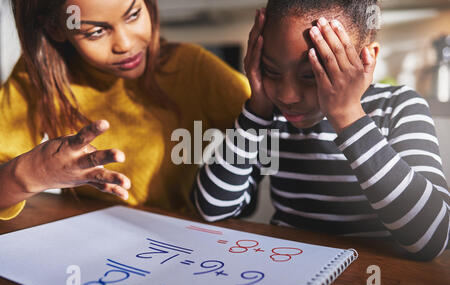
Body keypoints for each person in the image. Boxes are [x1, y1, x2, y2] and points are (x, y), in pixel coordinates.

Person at [192, 0, 450, 261]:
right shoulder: (268, 116)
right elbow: (213, 208)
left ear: (366, 59)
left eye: (312, 75)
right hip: (286, 268)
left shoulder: (399, 107)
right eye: (271, 70)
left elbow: (433, 238)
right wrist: (256, 110)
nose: (287, 95)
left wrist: (348, 115)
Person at [0, 0, 250, 219]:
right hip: (89, 239)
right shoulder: (37, 79)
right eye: (96, 32)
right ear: (56, 28)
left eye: (133, 15)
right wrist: (36, 173)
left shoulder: (193, 68)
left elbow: (265, 125)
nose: (125, 44)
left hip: (179, 242)